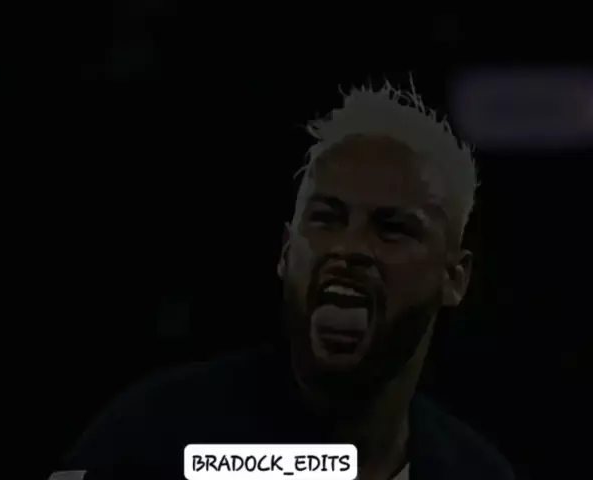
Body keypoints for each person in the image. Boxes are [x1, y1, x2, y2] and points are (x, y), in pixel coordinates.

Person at [51, 80, 515, 480]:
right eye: (326, 218)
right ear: (286, 251)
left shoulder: (476, 472)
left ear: (455, 277)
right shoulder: (151, 440)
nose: (348, 248)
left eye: (391, 228)